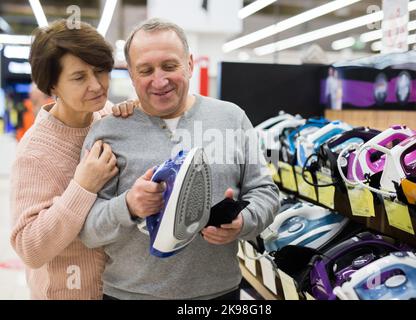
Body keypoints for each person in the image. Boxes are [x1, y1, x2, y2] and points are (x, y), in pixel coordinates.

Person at [79, 18, 280, 300]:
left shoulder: (232, 118)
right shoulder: (108, 132)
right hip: (128, 295)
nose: (159, 81)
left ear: (189, 64)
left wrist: (243, 221)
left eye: (169, 66)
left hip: (218, 295)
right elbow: (87, 230)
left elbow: (266, 192)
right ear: (132, 75)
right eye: (145, 70)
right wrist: (128, 205)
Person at [10, 19, 136, 300]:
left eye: (100, 71)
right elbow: (29, 247)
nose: (96, 85)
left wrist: (136, 123)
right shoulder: (35, 152)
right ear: (52, 84)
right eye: (79, 77)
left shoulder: (108, 116)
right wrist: (82, 187)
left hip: (122, 290)